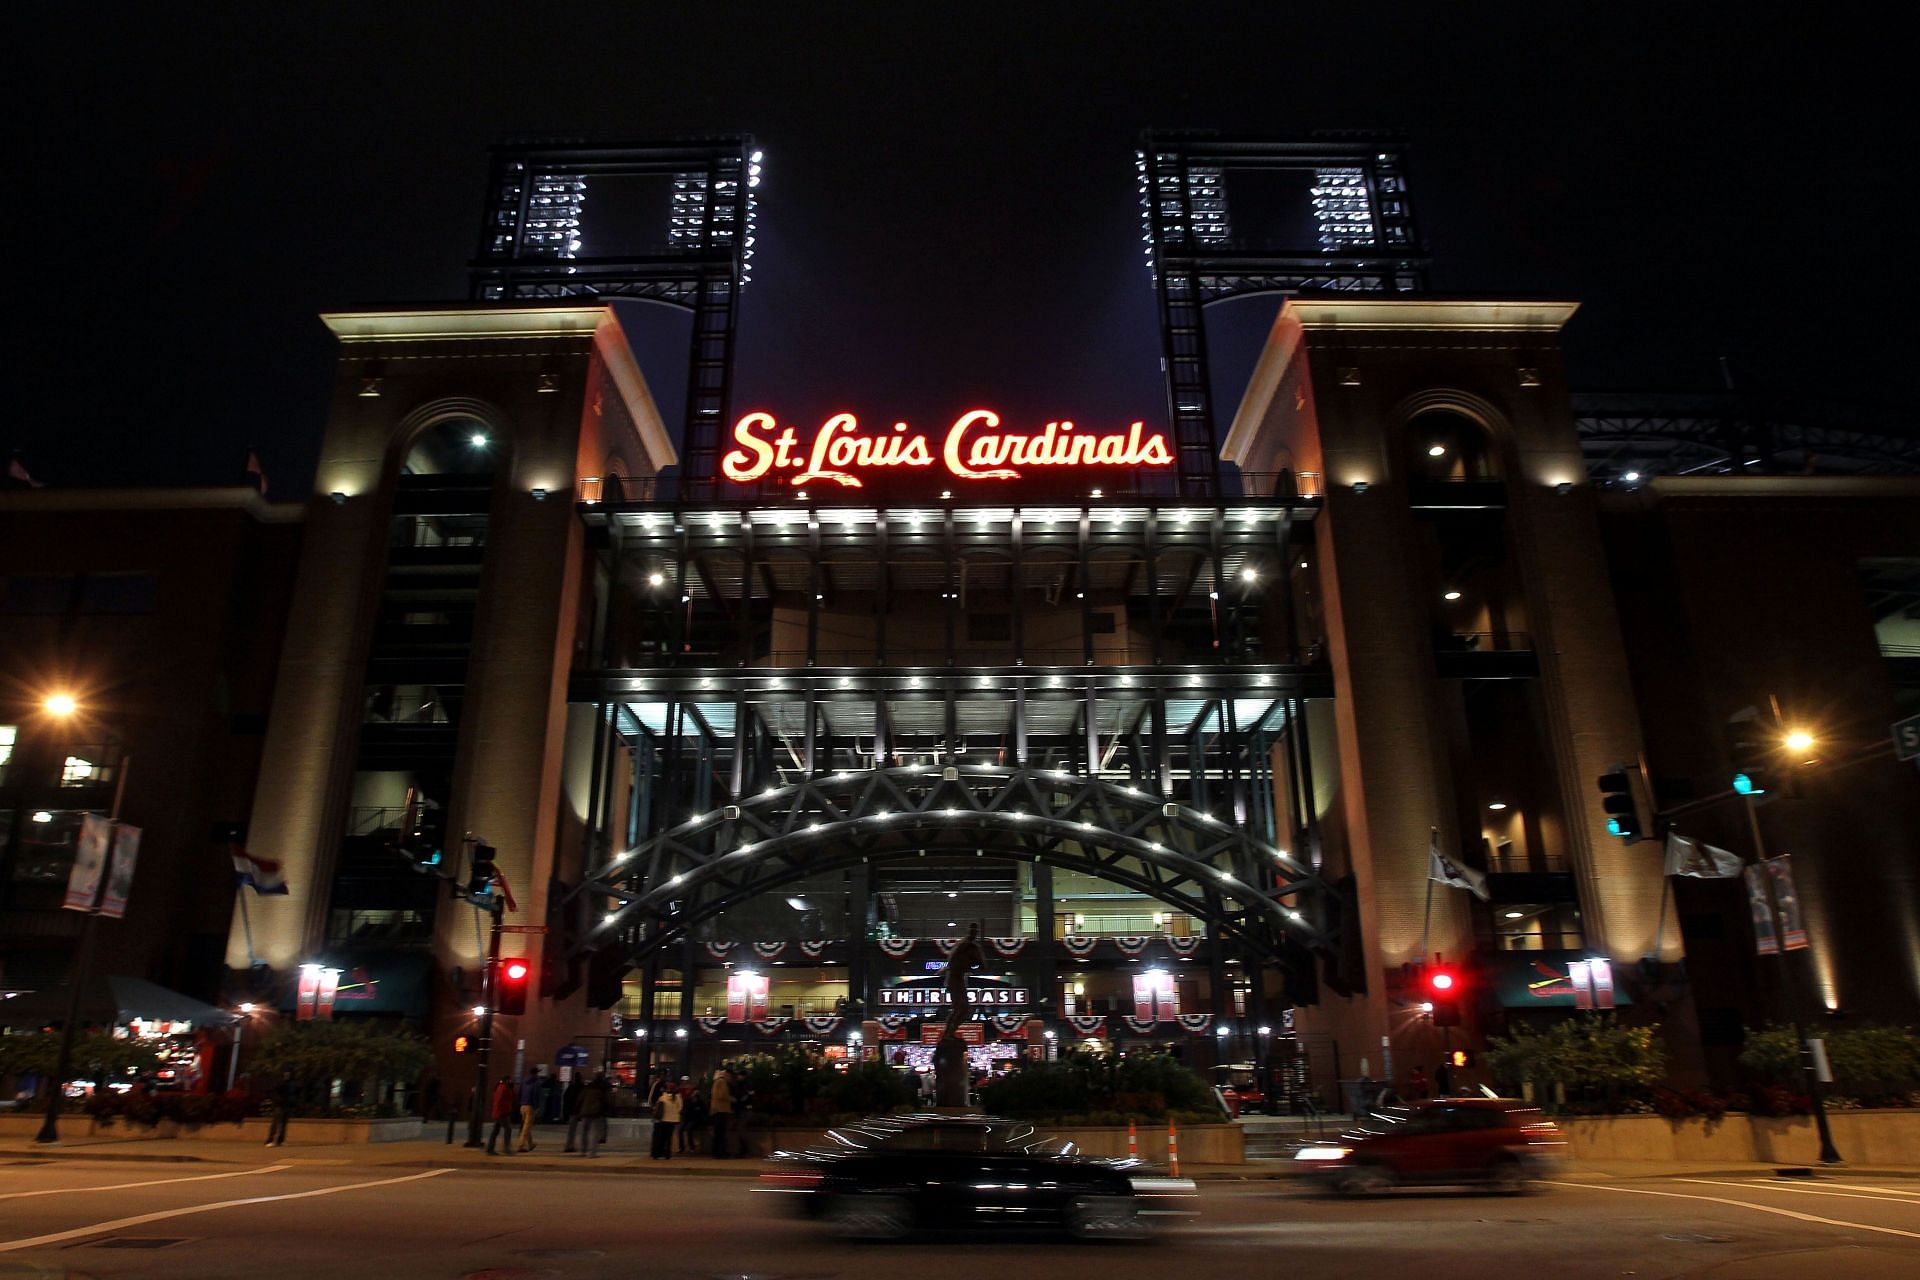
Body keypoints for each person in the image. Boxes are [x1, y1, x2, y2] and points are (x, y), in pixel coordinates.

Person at [578, 1071, 609, 1157]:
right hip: (596, 1113)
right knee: (594, 1133)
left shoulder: (588, 1087)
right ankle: (592, 1153)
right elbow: (605, 1101)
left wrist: (579, 1110)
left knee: (584, 1132)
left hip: (585, 1111)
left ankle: (583, 1151)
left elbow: (580, 1099)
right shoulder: (601, 1089)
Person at [651, 1076, 682, 1159]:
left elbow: (658, 1106)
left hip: (664, 1119)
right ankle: (668, 1154)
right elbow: (680, 1107)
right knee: (669, 1137)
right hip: (673, 1119)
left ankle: (660, 1152)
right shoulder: (678, 1097)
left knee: (662, 1137)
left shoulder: (663, 1097)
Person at [486, 1077, 517, 1155]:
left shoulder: (498, 1087)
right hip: (502, 1112)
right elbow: (512, 1097)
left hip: (497, 1112)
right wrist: (512, 1088)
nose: (511, 1082)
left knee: (495, 1131)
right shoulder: (505, 1088)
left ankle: (490, 1148)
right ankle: (506, 1148)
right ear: (506, 1081)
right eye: (510, 1080)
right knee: (508, 1129)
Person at [264, 1070, 295, 1147]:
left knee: (284, 1124)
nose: (287, 1075)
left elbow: (290, 1094)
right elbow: (273, 1092)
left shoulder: (289, 1084)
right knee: (275, 1123)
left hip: (286, 1105)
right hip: (279, 1105)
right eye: (286, 1074)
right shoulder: (279, 1083)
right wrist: (278, 1100)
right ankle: (270, 1140)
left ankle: (280, 1140)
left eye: (288, 1074)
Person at [516, 1067, 543, 1152]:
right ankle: (520, 1146)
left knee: (526, 1126)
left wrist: (520, 1103)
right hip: (530, 1106)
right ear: (536, 1073)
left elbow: (519, 1092)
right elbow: (536, 1095)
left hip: (523, 1105)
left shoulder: (524, 1081)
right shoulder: (537, 1082)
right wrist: (537, 1106)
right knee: (526, 1128)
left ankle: (530, 1144)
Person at [709, 1067, 734, 1157]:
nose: (730, 1079)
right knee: (721, 1133)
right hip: (721, 1110)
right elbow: (721, 1095)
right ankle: (720, 1152)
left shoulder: (716, 1081)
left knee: (717, 1133)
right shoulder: (722, 1082)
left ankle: (716, 1152)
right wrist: (731, 1099)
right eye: (730, 1076)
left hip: (716, 1110)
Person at [679, 1076, 706, 1154]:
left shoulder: (698, 1101)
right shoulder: (687, 1101)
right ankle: (681, 1147)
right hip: (688, 1118)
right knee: (680, 1130)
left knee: (688, 1129)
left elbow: (701, 1111)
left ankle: (691, 1147)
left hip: (694, 1119)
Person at [561, 1072, 585, 1152]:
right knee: (583, 1130)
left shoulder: (571, 1087)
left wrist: (566, 1112)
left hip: (572, 1111)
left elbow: (566, 1098)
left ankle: (569, 1146)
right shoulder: (582, 1087)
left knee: (571, 1130)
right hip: (580, 1111)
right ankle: (582, 1147)